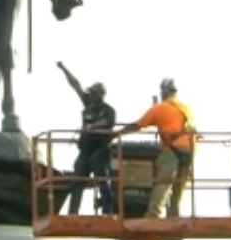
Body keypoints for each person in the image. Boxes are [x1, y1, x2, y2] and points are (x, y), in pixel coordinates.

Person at [119, 79, 196, 218]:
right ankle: (174, 215)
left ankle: (153, 215)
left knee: (164, 182)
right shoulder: (185, 108)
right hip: (190, 149)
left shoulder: (160, 107)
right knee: (179, 185)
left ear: (163, 92)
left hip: (173, 149)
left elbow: (138, 125)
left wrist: (117, 134)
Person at [56, 61, 118, 215]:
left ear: (100, 94)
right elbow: (75, 85)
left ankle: (107, 213)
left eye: (94, 93)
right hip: (85, 152)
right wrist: (64, 69)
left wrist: (92, 127)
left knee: (104, 183)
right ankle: (72, 214)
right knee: (77, 183)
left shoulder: (108, 110)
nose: (90, 94)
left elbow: (108, 122)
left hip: (100, 152)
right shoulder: (88, 104)